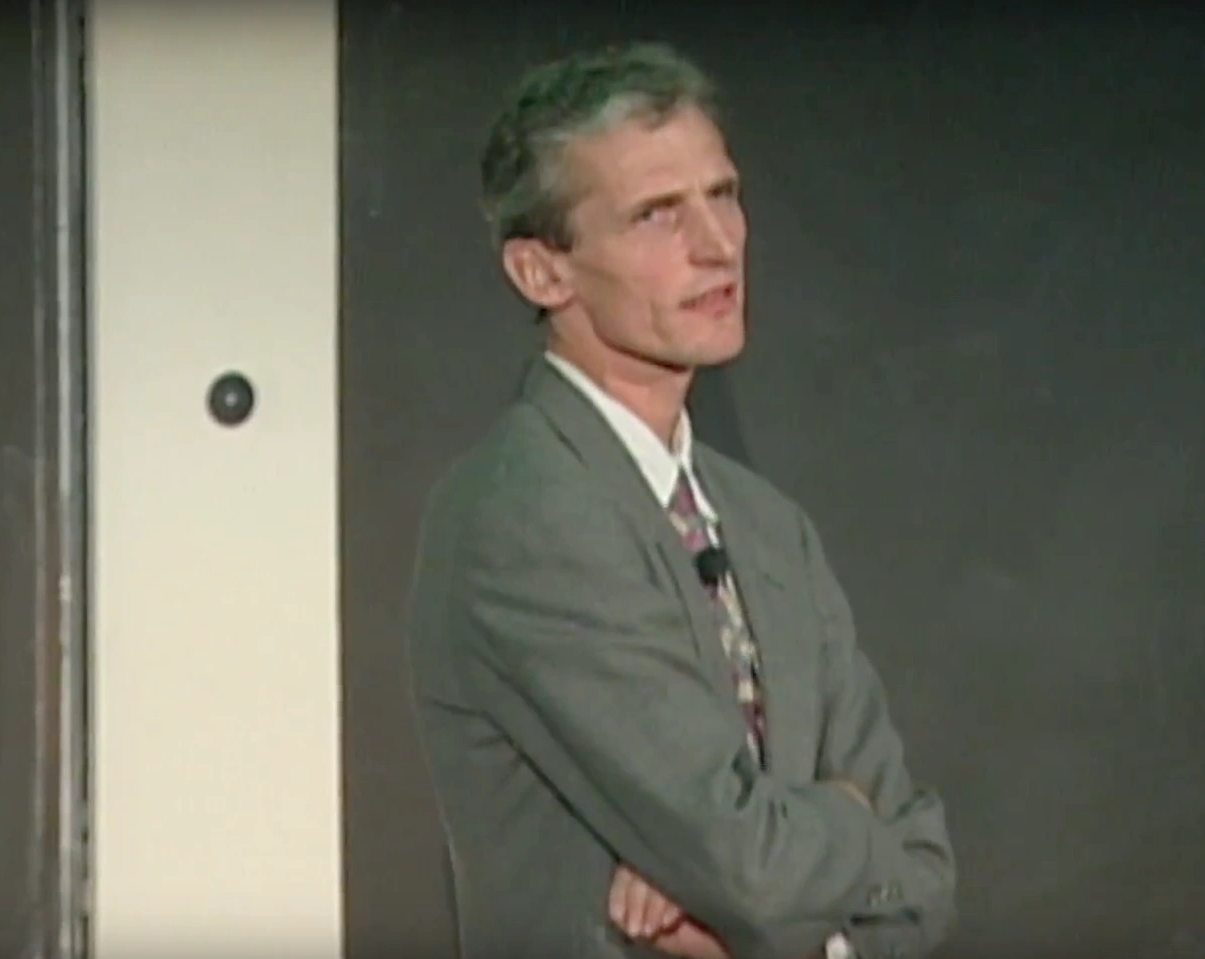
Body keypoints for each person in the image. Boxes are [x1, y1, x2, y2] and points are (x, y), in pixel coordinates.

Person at [406, 42, 956, 959]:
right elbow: (752, 867)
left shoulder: (768, 528)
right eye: (657, 214)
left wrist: (790, 889)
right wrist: (847, 817)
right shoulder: (523, 514)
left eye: (723, 194)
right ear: (542, 272)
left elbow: (925, 873)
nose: (719, 244)